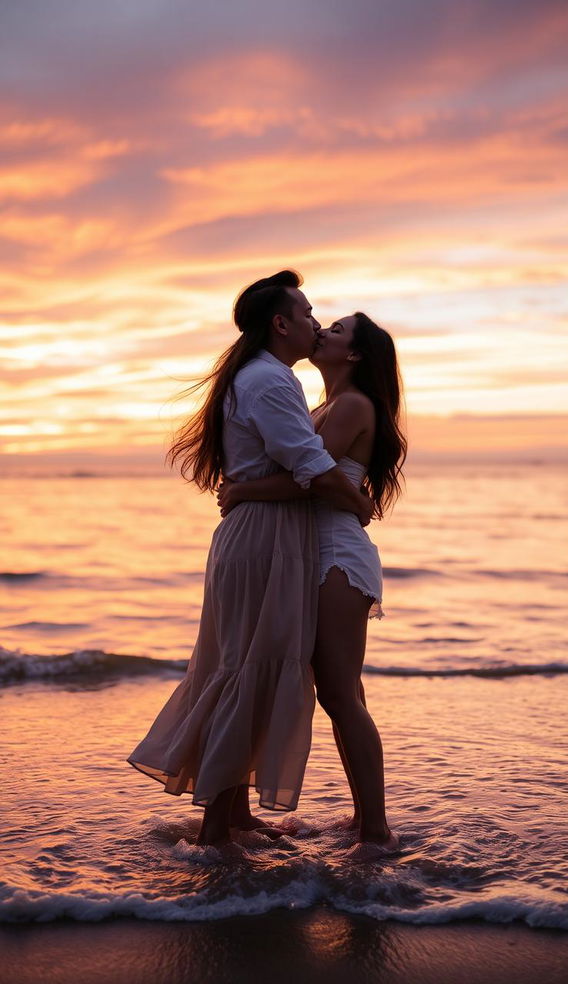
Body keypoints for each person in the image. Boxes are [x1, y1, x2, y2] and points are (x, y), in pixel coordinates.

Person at [127, 271, 373, 847]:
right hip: (265, 537)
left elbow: (298, 461)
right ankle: (217, 830)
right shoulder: (271, 381)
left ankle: (232, 815)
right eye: (309, 314)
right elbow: (309, 464)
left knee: (243, 664)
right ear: (280, 323)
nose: (315, 323)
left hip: (265, 534)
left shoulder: (264, 377)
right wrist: (356, 500)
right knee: (246, 668)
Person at [218, 312, 406, 856]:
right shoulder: (320, 405)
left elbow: (312, 482)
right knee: (342, 693)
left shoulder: (349, 405)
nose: (323, 330)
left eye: (339, 330)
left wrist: (243, 493)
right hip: (311, 554)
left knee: (341, 694)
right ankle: (365, 819)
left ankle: (375, 830)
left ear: (354, 355)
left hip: (334, 558)